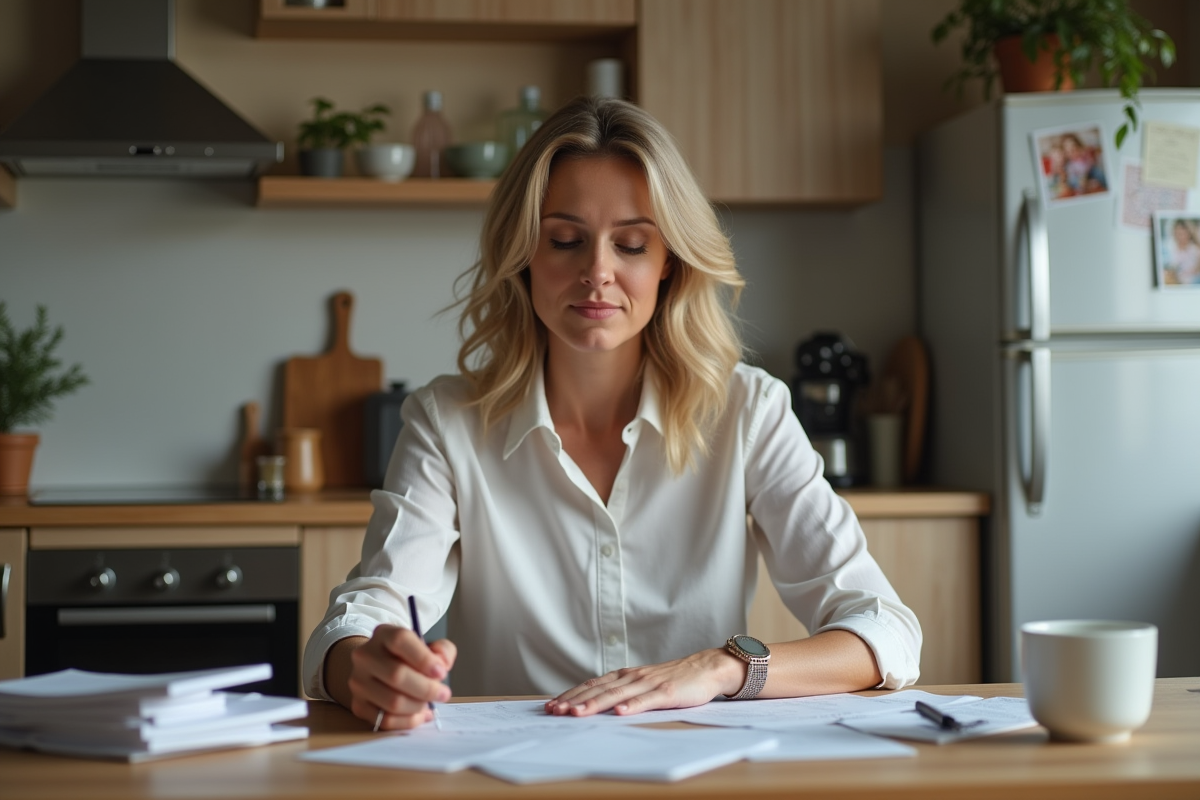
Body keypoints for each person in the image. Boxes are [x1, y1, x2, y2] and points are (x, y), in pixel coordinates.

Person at [302, 96, 922, 731]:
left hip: (695, 769)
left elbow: (883, 630)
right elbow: (362, 614)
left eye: (630, 245)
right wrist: (367, 668)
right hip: (512, 776)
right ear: (523, 256)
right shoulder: (447, 420)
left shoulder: (748, 410)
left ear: (669, 265)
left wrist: (721, 668)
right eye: (565, 240)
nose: (597, 273)